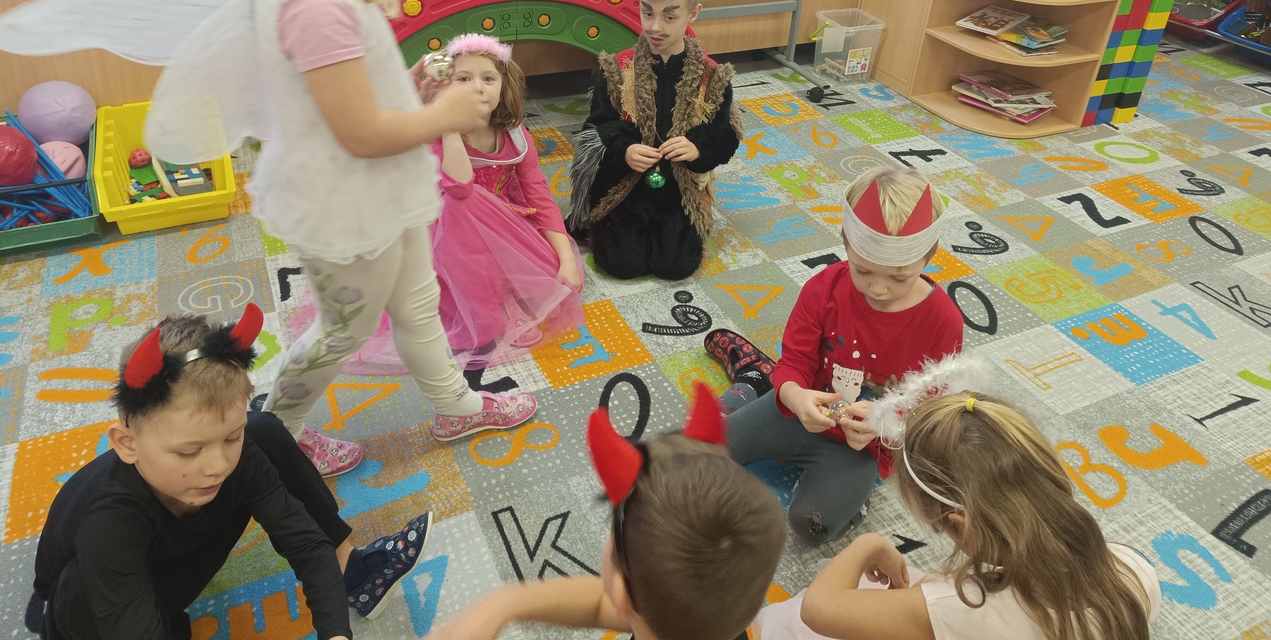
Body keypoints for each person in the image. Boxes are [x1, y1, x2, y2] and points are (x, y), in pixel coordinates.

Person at [225, 0, 535, 475]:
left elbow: (344, 96)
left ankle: (455, 404)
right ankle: (276, 435)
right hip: (347, 202)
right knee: (344, 329)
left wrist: (412, 92)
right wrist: (445, 116)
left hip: (380, 189)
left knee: (417, 301)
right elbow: (361, 132)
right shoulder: (313, 4)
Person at [29, 308, 433, 640]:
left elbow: (306, 543)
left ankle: (352, 574)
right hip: (99, 597)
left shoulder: (231, 459)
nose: (218, 465)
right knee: (80, 590)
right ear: (127, 443)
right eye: (189, 451)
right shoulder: (110, 520)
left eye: (230, 437)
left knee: (263, 428)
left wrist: (336, 634)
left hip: (176, 551)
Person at [756, 391, 1161, 640]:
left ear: (958, 523)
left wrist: (869, 543)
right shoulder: (1132, 567)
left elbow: (820, 610)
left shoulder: (965, 608)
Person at [717, 166, 964, 544]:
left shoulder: (942, 321)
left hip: (863, 447)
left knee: (812, 526)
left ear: (930, 255)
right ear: (845, 241)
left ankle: (751, 387)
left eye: (899, 277)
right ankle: (753, 382)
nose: (878, 289)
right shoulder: (823, 289)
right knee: (703, 447)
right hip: (796, 414)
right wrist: (796, 397)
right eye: (863, 271)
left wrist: (886, 424)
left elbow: (934, 411)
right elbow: (795, 363)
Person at [428, 385, 787, 640]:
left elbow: (611, 604)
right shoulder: (711, 617)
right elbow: (609, 604)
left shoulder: (644, 609)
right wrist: (506, 602)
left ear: (621, 595)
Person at [566, 0, 741, 281]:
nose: (655, 27)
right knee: (620, 264)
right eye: (647, 12)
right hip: (626, 185)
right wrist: (624, 150)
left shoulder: (712, 76)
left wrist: (698, 147)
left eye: (669, 16)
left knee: (676, 267)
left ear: (693, 13)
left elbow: (726, 135)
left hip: (680, 188)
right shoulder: (616, 69)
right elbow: (597, 127)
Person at [428, 33, 585, 365]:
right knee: (464, 201)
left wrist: (567, 259)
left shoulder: (515, 136)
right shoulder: (436, 137)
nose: (477, 88)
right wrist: (448, 124)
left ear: (503, 85)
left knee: (552, 273)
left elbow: (541, 198)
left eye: (488, 78)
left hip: (505, 223)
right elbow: (458, 189)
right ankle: (495, 304)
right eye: (463, 79)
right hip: (447, 232)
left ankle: (505, 294)